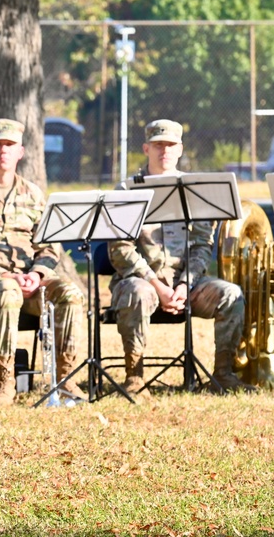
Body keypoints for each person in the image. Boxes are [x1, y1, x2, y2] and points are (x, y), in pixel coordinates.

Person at [107, 119, 252, 394]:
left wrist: (185, 284)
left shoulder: (194, 191)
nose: (165, 151)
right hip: (142, 283)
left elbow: (200, 246)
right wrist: (158, 285)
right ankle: (134, 378)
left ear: (180, 149)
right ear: (146, 148)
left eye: (170, 145)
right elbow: (120, 249)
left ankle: (222, 375)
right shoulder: (126, 190)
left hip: (188, 285)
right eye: (158, 145)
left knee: (230, 294)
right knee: (136, 293)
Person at [0, 118, 84, 406]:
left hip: (29, 284)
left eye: (9, 145)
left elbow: (49, 245)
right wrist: (7, 276)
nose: (3, 151)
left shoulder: (34, 195)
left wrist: (36, 274)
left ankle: (65, 380)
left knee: (70, 292)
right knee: (7, 291)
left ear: (21, 151)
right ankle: (5, 382)